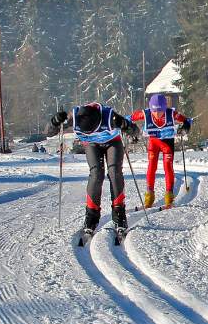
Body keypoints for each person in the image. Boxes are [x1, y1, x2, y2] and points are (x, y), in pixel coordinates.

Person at [45, 102, 140, 239]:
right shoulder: (74, 117)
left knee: (114, 172)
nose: (91, 133)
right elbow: (48, 132)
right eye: (86, 132)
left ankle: (119, 214)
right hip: (91, 145)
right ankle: (91, 216)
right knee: (96, 174)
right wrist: (54, 122)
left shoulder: (109, 116)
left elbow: (135, 130)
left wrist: (128, 127)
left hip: (112, 142)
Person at [127, 94, 193, 209]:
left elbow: (187, 120)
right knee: (151, 167)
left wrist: (186, 126)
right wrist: (129, 129)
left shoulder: (171, 114)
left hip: (167, 143)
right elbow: (127, 119)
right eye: (154, 111)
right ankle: (149, 198)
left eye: (160, 111)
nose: (157, 114)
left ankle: (169, 198)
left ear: (164, 108)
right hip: (154, 143)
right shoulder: (145, 113)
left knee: (168, 167)